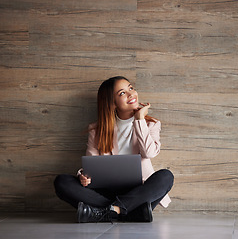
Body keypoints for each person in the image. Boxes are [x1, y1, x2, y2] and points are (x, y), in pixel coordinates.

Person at [54, 76, 173, 223]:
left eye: (131, 88)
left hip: (138, 192)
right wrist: (83, 177)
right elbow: (91, 165)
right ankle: (129, 213)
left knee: (166, 177)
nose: (131, 94)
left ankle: (108, 212)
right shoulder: (97, 130)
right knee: (62, 182)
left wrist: (140, 120)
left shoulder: (151, 124)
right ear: (112, 103)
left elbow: (149, 153)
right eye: (122, 93)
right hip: (105, 192)